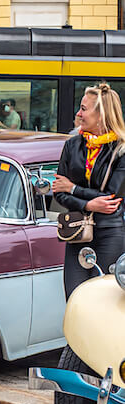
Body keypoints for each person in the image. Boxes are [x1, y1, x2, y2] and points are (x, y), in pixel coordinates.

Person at [52, 82, 125, 297]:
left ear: (101, 115)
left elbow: (112, 199)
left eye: (84, 109)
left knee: (104, 300)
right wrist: (88, 204)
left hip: (109, 234)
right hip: (76, 231)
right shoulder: (72, 145)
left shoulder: (121, 149)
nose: (78, 114)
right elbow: (58, 191)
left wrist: (74, 189)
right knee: (74, 298)